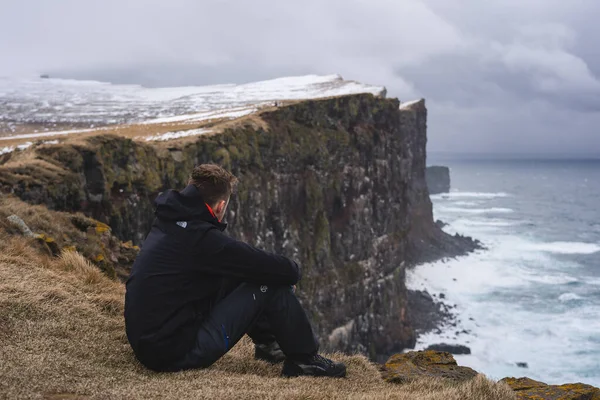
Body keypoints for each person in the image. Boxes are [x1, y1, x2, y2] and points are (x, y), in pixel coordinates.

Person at [124, 164, 346, 378]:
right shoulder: (202, 239)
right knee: (270, 283)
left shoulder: (169, 220)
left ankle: (270, 346)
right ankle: (304, 360)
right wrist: (290, 274)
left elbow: (240, 262)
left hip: (150, 343)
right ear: (220, 206)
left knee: (240, 274)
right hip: (173, 353)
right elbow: (272, 267)